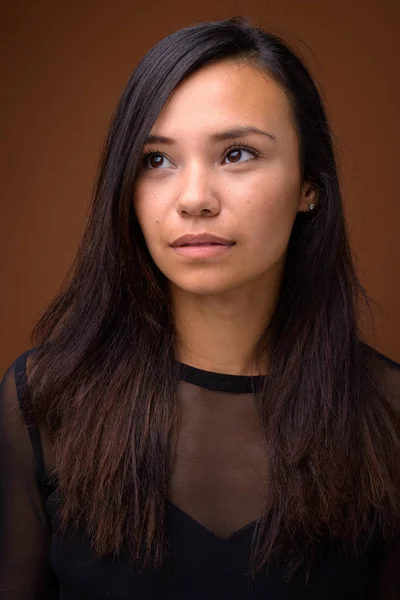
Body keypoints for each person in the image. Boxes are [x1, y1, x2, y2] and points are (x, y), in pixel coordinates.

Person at [0, 16, 399, 599]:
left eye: (237, 153)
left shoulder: (388, 419)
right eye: (156, 160)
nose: (192, 200)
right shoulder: (41, 402)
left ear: (310, 184)